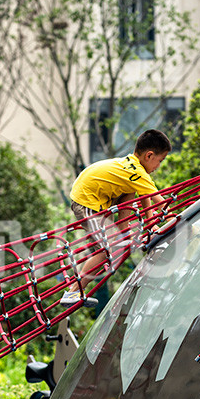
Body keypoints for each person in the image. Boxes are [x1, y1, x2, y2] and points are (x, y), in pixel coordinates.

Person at [60, 128, 171, 307]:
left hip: (96, 199)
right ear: (149, 155)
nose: (158, 166)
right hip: (87, 201)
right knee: (106, 251)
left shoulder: (131, 166)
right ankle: (73, 291)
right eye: (160, 160)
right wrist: (179, 221)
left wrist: (151, 225)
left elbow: (145, 197)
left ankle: (123, 232)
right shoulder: (137, 172)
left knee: (130, 190)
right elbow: (160, 201)